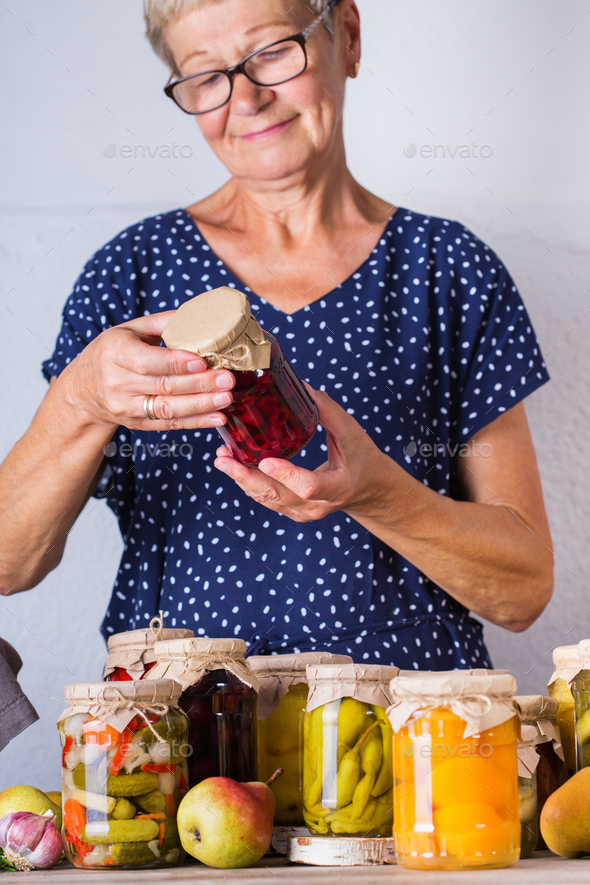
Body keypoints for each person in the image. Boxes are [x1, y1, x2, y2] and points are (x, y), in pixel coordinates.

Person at [0, 0, 553, 669]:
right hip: (182, 727)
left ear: (346, 36)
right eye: (206, 76)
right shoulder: (131, 274)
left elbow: (522, 591)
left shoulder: (450, 271)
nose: (248, 98)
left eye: (271, 51)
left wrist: (379, 491)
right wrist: (79, 400)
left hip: (417, 736)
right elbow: (9, 563)